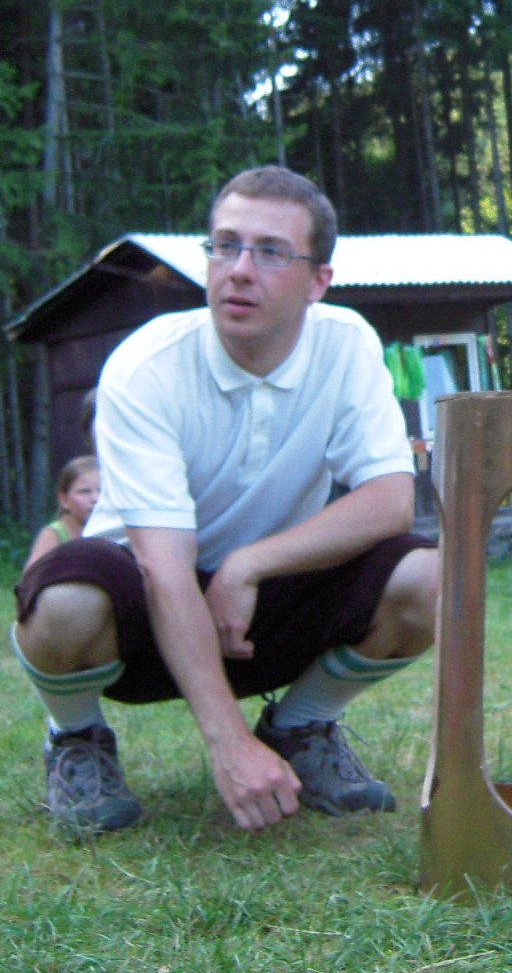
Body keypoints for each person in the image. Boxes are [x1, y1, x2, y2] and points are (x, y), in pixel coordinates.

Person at [10, 166, 438, 837]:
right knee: (63, 599)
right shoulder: (147, 367)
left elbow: (390, 501)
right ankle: (77, 738)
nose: (239, 270)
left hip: (265, 608)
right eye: (225, 245)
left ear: (318, 281)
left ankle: (301, 727)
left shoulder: (345, 342)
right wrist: (228, 743)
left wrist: (248, 565)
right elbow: (162, 567)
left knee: (431, 579)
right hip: (140, 612)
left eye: (270, 252)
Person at [25, 457, 100, 572]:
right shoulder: (55, 534)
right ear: (64, 500)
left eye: (101, 491)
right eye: (84, 491)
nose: (95, 498)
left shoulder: (111, 531)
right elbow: (31, 576)